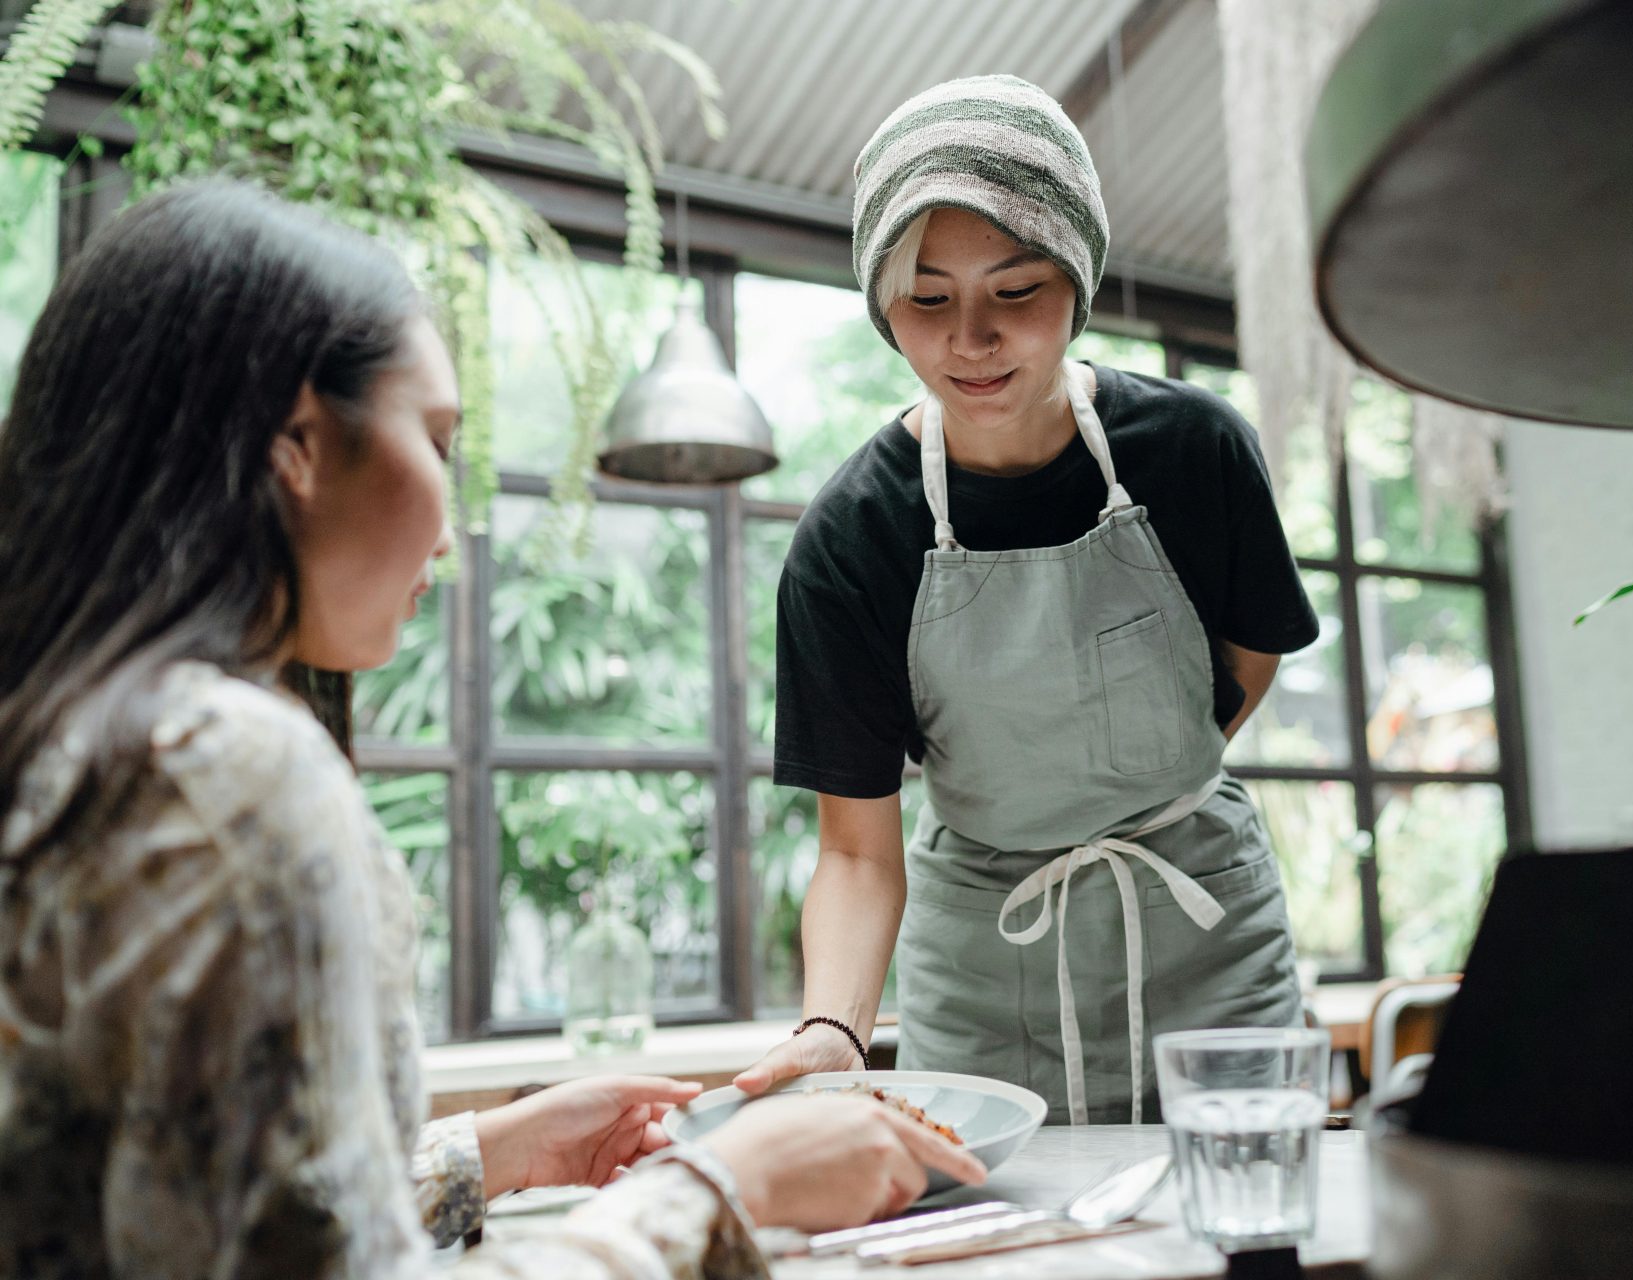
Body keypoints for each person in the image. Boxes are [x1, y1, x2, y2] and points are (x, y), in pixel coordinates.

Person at [0, 180, 982, 1280]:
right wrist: (717, 1188)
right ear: (295, 444)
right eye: (434, 436)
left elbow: (192, 1212)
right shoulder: (231, 775)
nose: (456, 520)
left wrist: (491, 1150)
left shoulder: (70, 744)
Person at [737, 76, 1321, 1125]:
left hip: (1205, 934)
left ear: (1079, 279)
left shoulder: (1197, 451)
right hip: (985, 962)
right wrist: (831, 1029)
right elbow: (857, 850)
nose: (972, 337)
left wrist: (1131, 783)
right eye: (928, 298)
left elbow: (1246, 662)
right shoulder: (851, 540)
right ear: (881, 303)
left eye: (1016, 290)